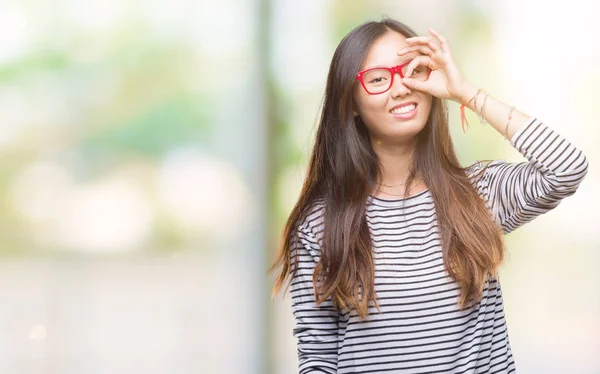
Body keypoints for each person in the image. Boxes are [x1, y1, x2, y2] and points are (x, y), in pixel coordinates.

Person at [270, 18, 588, 373]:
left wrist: (466, 92)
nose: (401, 87)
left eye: (412, 71)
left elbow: (567, 167)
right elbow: (318, 358)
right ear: (352, 104)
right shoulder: (321, 224)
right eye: (378, 79)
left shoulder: (478, 193)